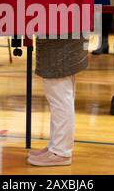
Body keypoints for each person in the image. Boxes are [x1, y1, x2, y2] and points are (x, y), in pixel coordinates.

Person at [27, 37, 88, 167]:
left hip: (61, 32)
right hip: (64, 30)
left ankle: (60, 152)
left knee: (59, 93)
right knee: (62, 92)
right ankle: (56, 146)